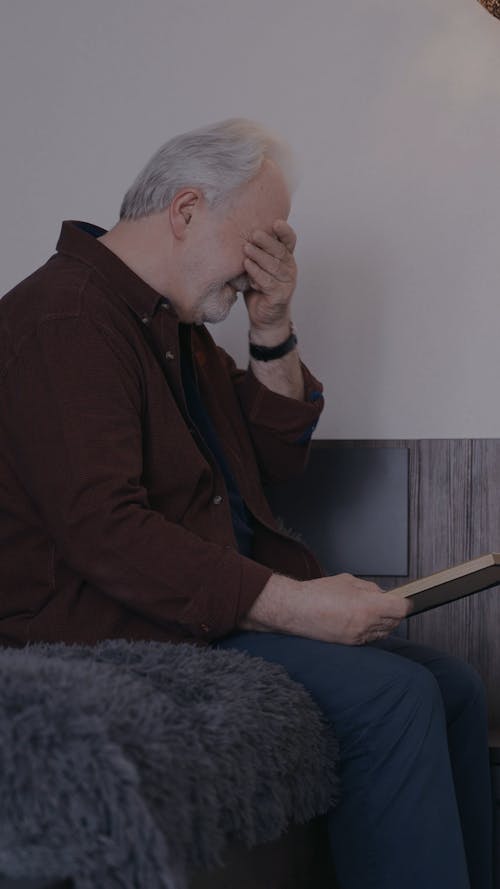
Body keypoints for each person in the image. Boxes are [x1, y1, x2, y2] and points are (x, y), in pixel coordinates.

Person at [0, 119, 492, 889]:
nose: (265, 269)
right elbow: (105, 531)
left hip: (200, 609)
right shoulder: (67, 318)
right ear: (187, 209)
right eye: (257, 245)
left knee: (455, 684)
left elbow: (271, 461)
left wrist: (271, 326)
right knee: (392, 696)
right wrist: (296, 606)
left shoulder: (174, 328)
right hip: (110, 625)